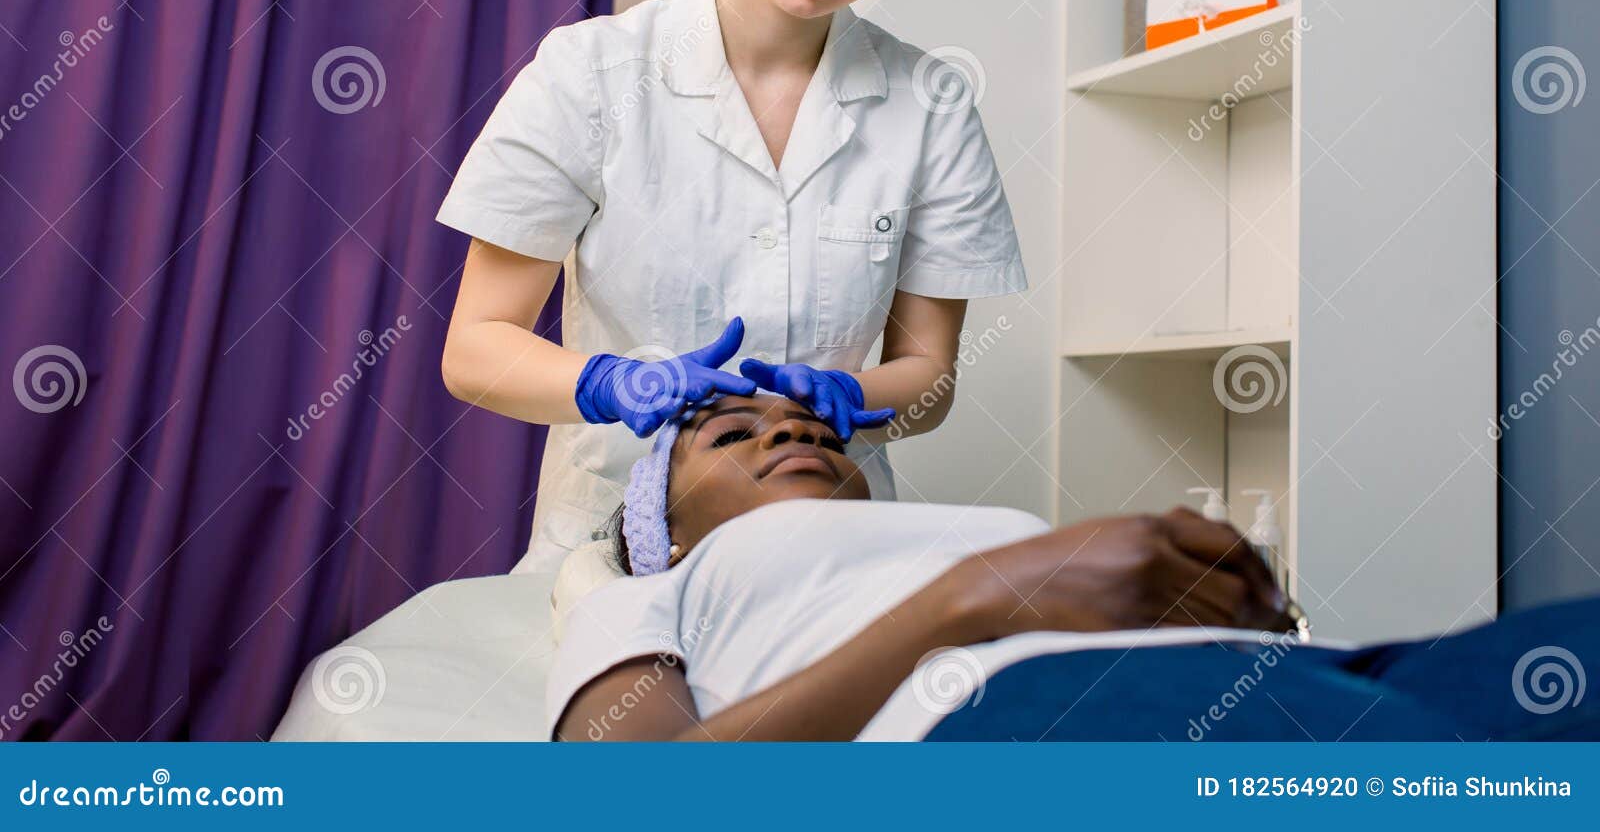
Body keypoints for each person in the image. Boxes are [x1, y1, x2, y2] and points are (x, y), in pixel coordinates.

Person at [434, 0, 1026, 576]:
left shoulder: (931, 104)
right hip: (616, 541)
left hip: (834, 541)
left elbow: (929, 375)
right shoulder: (591, 73)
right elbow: (476, 348)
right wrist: (611, 384)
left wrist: (858, 398)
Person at [546, 392, 1600, 742]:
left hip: (1303, 672)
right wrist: (976, 600)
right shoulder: (650, 589)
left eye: (815, 427)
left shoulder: (976, 525)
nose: (795, 432)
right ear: (664, 525)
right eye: (731, 435)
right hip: (1006, 716)